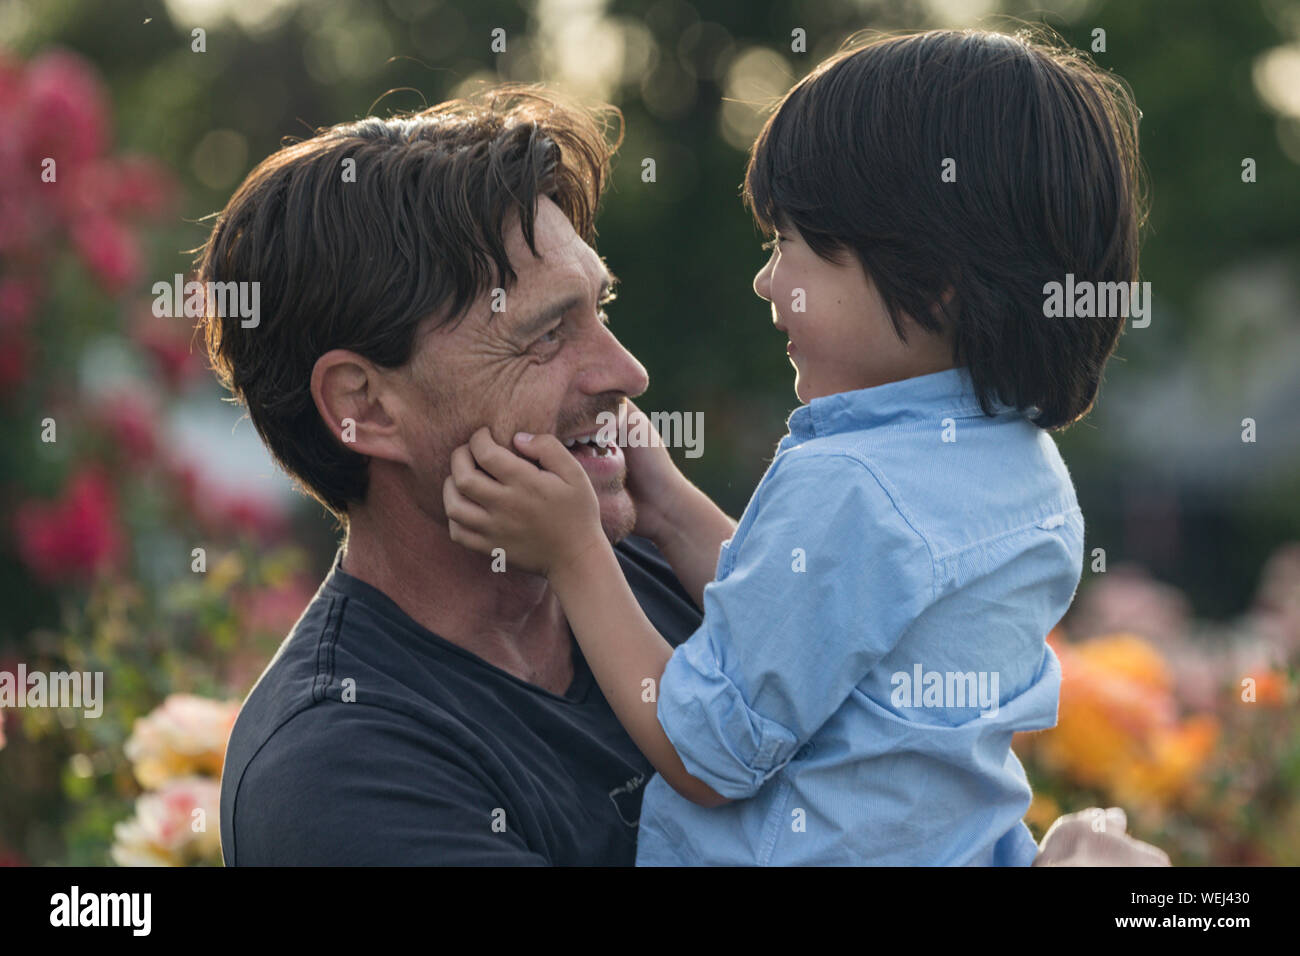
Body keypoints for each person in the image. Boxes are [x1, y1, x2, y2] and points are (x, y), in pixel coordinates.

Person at [208, 75, 1162, 865]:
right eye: (547, 335)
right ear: (365, 406)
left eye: (601, 307)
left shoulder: (657, 569)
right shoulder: (343, 771)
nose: (626, 373)